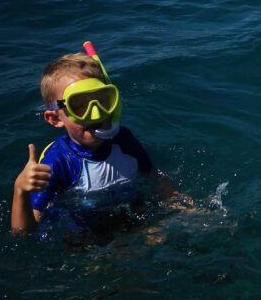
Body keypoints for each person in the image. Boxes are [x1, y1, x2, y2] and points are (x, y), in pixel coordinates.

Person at [11, 43, 166, 234]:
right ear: (55, 118)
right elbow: (22, 232)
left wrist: (183, 207)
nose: (96, 113)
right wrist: (20, 191)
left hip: (133, 216)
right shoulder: (56, 162)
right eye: (79, 105)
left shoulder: (124, 140)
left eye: (102, 100)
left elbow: (155, 179)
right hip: (87, 235)